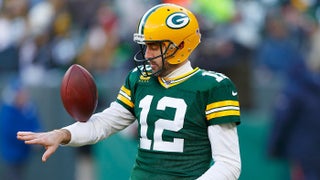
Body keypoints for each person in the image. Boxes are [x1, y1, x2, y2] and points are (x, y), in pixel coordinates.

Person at [17, 3, 242, 179]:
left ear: (181, 46)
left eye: (155, 46)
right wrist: (63, 134)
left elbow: (229, 164)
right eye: (146, 45)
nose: (147, 53)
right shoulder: (139, 79)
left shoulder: (213, 86)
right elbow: (104, 123)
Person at [0, 78, 41, 180]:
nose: (24, 96)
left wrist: (37, 137)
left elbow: (35, 125)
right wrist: (31, 140)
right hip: (12, 154)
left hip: (24, 154)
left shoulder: (28, 108)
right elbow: (11, 133)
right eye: (21, 93)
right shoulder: (8, 111)